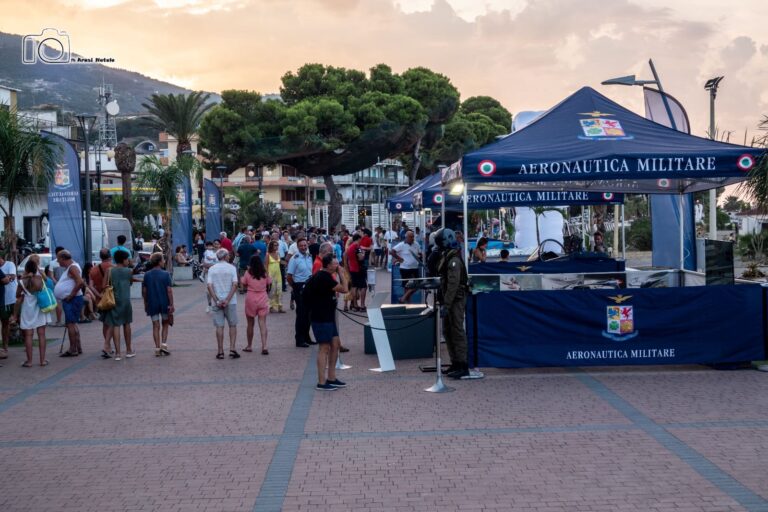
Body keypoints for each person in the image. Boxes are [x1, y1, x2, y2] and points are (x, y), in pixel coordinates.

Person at [306, 253, 348, 391]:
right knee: (324, 347)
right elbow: (344, 289)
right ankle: (321, 382)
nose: (338, 265)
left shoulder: (325, 276)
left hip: (328, 316)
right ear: (329, 265)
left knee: (335, 344)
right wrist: (342, 274)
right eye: (335, 264)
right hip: (321, 317)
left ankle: (331, 377)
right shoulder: (323, 277)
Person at [435, 228, 470, 379]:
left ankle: (462, 365)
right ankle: (455, 362)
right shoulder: (448, 256)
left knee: (457, 332)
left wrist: (446, 305)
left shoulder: (454, 259)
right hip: (449, 300)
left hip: (455, 300)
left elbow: (453, 285)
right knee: (448, 332)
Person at [12, 257, 50, 367]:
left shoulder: (21, 281)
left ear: (26, 269)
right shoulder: (40, 279)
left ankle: (29, 362)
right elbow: (45, 286)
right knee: (41, 334)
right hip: (40, 307)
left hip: (27, 308)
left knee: (28, 335)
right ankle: (42, 361)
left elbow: (17, 296)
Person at [102, 250, 135, 361]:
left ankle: (117, 353)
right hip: (126, 300)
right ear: (124, 259)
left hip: (114, 301)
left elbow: (103, 285)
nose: (128, 261)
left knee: (116, 325)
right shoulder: (129, 271)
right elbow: (130, 283)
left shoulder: (109, 270)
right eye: (127, 259)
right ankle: (129, 350)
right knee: (127, 324)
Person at [207, 248, 239, 359]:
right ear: (225, 256)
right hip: (231, 301)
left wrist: (216, 300)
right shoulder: (232, 268)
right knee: (232, 325)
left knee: (219, 326)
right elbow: (235, 284)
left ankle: (220, 351)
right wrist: (227, 299)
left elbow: (209, 286)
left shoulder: (212, 269)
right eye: (228, 255)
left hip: (217, 302)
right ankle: (232, 349)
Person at [142, 252, 174, 357]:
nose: (164, 262)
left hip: (152, 302)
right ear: (160, 262)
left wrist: (145, 303)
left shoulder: (147, 275)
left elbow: (144, 291)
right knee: (165, 323)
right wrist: (171, 304)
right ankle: (164, 345)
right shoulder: (166, 274)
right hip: (164, 303)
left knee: (155, 325)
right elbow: (169, 290)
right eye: (163, 260)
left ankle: (157, 348)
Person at [53, 250, 84, 357]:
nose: (58, 261)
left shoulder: (72, 267)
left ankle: (73, 349)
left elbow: (80, 282)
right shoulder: (71, 267)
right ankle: (77, 347)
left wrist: (71, 295)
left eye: (58, 259)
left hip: (72, 299)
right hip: (73, 299)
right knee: (73, 323)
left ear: (63, 258)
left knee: (70, 324)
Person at [286, 237, 314, 347]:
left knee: (309, 314)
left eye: (305, 245)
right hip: (299, 287)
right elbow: (289, 276)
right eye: (301, 246)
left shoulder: (309, 257)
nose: (303, 247)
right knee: (301, 314)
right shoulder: (295, 258)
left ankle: (307, 337)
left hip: (309, 287)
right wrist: (296, 287)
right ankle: (299, 339)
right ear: (297, 247)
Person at [242, 254, 271, 354]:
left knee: (250, 324)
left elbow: (243, 283)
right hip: (263, 297)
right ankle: (264, 346)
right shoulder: (265, 272)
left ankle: (249, 346)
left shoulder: (248, 272)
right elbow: (269, 283)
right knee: (262, 323)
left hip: (251, 298)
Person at [89, 248, 114, 358]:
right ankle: (108, 346)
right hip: (112, 298)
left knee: (105, 323)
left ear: (100, 257)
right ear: (110, 256)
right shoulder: (113, 268)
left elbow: (90, 286)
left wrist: (98, 295)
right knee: (112, 322)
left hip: (101, 300)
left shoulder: (93, 270)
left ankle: (108, 346)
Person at [390, 230, 422, 304]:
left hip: (415, 267)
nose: (412, 238)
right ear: (406, 237)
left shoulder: (416, 244)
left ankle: (403, 298)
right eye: (410, 237)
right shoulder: (401, 245)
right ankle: (408, 303)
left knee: (418, 284)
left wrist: (420, 256)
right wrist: (399, 258)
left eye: (413, 236)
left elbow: (419, 253)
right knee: (406, 286)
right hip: (405, 268)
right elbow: (392, 251)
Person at [0, 253, 17, 359]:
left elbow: (13, 276)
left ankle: (26, 343)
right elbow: (8, 279)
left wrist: (8, 277)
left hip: (12, 298)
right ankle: (5, 346)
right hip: (3, 301)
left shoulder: (10, 264)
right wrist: (7, 277)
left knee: (19, 320)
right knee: (5, 322)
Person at [345, 233, 366, 311]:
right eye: (361, 239)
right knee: (363, 286)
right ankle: (362, 305)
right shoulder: (357, 247)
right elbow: (360, 258)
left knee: (354, 287)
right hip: (358, 269)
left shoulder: (349, 247)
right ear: (358, 239)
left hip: (352, 269)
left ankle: (355, 305)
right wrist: (363, 253)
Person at [266, 240, 284, 313]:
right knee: (272, 291)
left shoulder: (278, 253)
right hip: (271, 274)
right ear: (271, 246)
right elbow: (266, 265)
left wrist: (286, 262)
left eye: (277, 245)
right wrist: (267, 275)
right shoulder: (268, 254)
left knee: (279, 290)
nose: (276, 247)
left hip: (278, 274)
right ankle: (270, 306)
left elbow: (280, 262)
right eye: (275, 245)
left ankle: (280, 306)